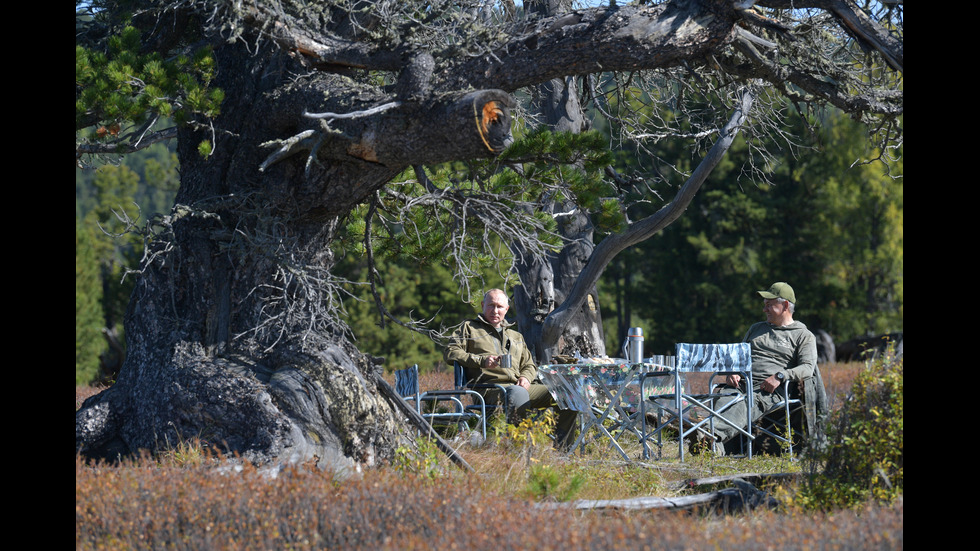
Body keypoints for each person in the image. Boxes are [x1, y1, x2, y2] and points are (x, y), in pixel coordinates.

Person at [698, 282, 828, 455]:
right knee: (726, 396)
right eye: (764, 305)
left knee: (749, 401)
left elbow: (807, 368)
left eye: (769, 305)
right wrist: (733, 372)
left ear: (785, 306)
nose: (764, 309)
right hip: (743, 382)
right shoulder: (756, 329)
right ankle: (713, 446)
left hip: (772, 388)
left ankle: (708, 436)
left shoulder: (803, 335)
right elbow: (738, 357)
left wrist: (781, 376)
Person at [445, 288, 578, 449]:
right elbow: (450, 352)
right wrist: (482, 361)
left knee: (568, 393)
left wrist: (526, 378)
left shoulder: (515, 336)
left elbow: (529, 365)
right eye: (491, 306)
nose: (495, 311)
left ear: (506, 309)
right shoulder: (469, 328)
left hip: (519, 387)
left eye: (499, 307)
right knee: (518, 393)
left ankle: (564, 450)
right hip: (489, 389)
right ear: (482, 305)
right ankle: (518, 450)